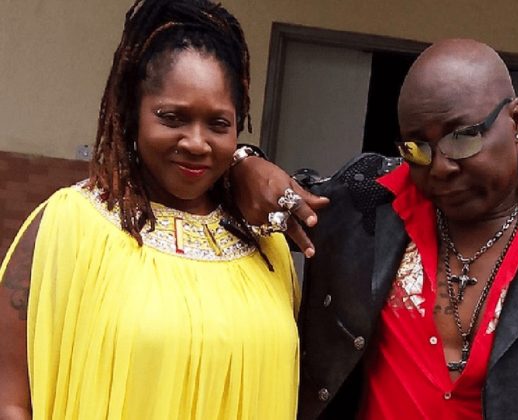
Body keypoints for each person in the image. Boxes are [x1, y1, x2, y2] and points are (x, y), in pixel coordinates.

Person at [230, 39, 518, 419]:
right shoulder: (368, 202)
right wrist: (242, 163)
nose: (440, 168)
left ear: (516, 120)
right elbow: (263, 197)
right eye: (417, 149)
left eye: (463, 138)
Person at [0, 1, 300, 419]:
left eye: (218, 124)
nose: (196, 142)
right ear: (133, 114)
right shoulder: (70, 224)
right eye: (172, 117)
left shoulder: (267, 246)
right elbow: (10, 400)